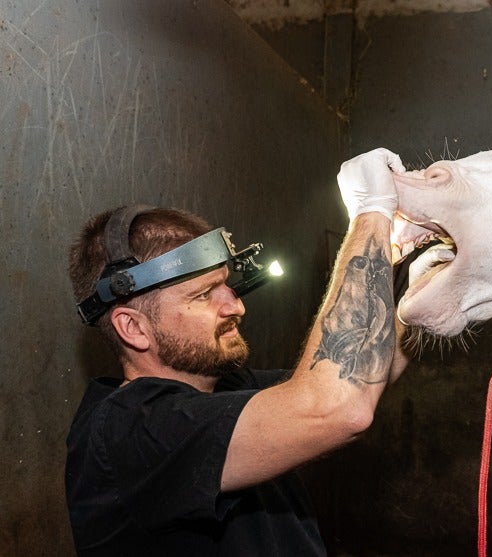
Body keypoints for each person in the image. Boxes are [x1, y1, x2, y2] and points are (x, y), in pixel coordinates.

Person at [65, 149, 409, 556]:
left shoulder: (226, 388)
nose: (236, 306)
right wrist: (371, 214)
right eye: (204, 294)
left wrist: (417, 277)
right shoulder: (130, 432)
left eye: (226, 285)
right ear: (134, 328)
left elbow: (362, 372)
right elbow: (341, 406)